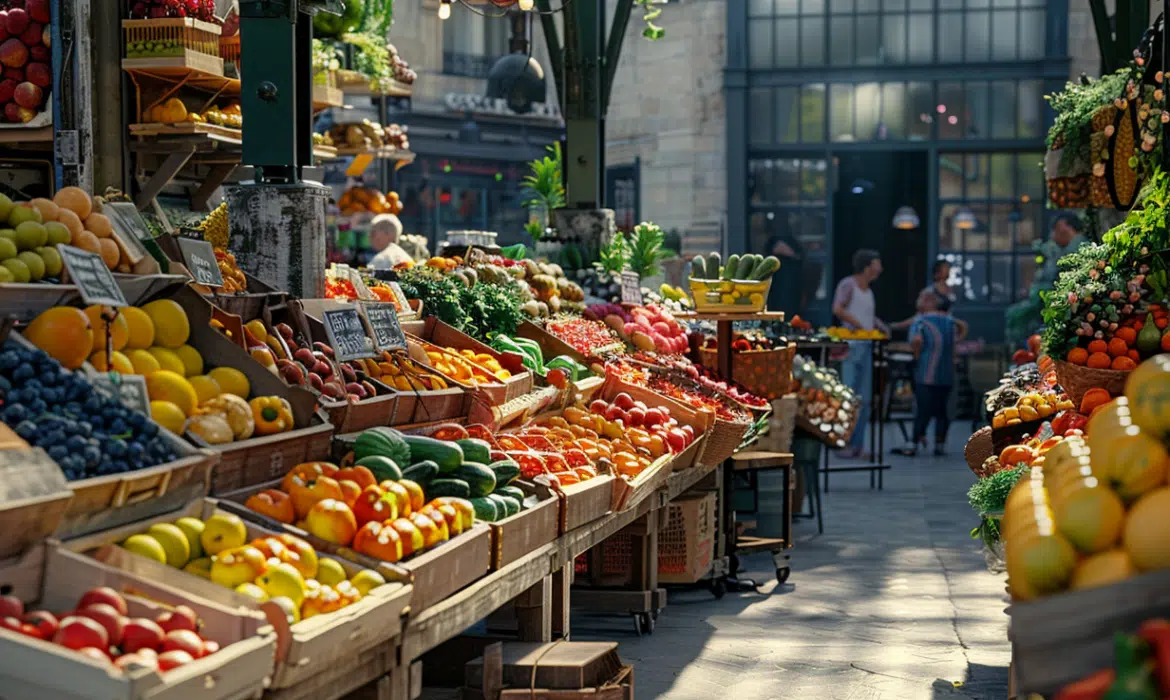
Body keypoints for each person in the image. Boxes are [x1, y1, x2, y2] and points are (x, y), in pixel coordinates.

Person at [832, 249, 890, 458]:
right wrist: (857, 324)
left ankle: (858, 444)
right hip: (851, 345)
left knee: (864, 398)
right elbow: (838, 308)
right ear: (867, 266)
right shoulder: (849, 284)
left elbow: (867, 316)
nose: (880, 268)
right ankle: (843, 444)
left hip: (866, 346)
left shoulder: (869, 290)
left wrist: (880, 326)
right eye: (877, 263)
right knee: (849, 396)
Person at [895, 292, 967, 456]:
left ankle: (913, 443)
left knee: (923, 409)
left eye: (920, 298)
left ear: (929, 302)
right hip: (946, 373)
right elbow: (962, 329)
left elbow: (917, 341)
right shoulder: (950, 321)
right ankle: (940, 444)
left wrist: (916, 355)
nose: (917, 301)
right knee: (942, 411)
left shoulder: (920, 321)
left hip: (927, 372)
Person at [891, 259, 956, 331]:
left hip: (946, 323)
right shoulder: (930, 291)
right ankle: (897, 326)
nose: (948, 270)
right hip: (932, 324)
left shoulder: (950, 290)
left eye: (948, 268)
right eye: (945, 268)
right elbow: (919, 307)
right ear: (938, 271)